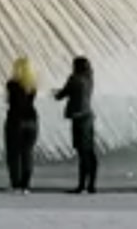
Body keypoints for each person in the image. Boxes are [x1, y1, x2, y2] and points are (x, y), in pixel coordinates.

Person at [54, 55, 98, 194]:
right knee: (90, 152)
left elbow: (61, 95)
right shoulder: (89, 78)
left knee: (82, 153)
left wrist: (55, 93)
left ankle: (81, 186)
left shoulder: (74, 79)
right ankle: (91, 185)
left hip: (78, 118)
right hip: (88, 116)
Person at [3, 56, 39, 193]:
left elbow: (10, 101)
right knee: (27, 153)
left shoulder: (11, 84)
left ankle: (15, 184)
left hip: (15, 120)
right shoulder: (32, 85)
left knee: (13, 154)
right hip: (32, 120)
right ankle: (26, 186)